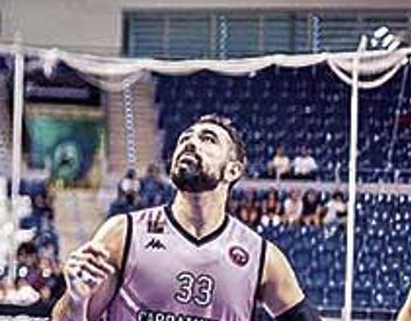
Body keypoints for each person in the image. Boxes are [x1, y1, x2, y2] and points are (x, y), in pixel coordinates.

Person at [51, 115, 313, 321]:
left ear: (233, 170)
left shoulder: (263, 258)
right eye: (185, 138)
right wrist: (76, 300)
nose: (190, 142)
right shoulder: (124, 233)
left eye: (208, 139)